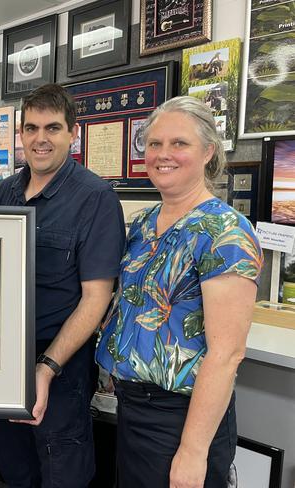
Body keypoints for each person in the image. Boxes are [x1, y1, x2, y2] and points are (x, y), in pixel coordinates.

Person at [95, 96, 263, 488]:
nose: (162, 154)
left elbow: (226, 354)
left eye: (179, 143)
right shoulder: (143, 222)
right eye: (154, 144)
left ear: (207, 152)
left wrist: (192, 450)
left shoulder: (225, 232)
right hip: (133, 407)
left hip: (181, 417)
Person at [0, 83, 126, 487]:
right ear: (21, 134)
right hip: (3, 360)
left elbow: (96, 298)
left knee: (62, 469)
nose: (40, 138)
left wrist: (45, 369)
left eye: (52, 128)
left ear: (72, 133)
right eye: (31, 128)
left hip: (60, 364)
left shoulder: (95, 198)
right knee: (13, 466)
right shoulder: (5, 192)